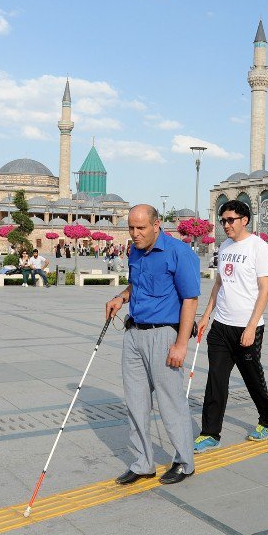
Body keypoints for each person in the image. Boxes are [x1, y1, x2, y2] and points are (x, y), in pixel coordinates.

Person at [105, 204, 199, 486]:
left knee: (170, 401)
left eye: (141, 228)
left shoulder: (179, 253)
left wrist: (181, 344)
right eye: (131, 228)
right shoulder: (134, 250)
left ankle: (184, 461)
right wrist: (121, 297)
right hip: (134, 334)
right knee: (135, 401)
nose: (135, 234)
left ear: (157, 225)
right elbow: (137, 284)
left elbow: (190, 300)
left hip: (164, 335)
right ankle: (143, 462)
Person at [194, 200, 268, 453]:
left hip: (247, 327)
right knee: (216, 379)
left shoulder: (259, 247)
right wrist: (207, 315)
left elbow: (265, 290)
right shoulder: (225, 246)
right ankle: (210, 433)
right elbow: (219, 284)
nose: (226, 225)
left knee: (253, 377)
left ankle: (267, 420)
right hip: (221, 326)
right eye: (223, 221)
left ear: (244, 220)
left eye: (231, 220)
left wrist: (251, 327)